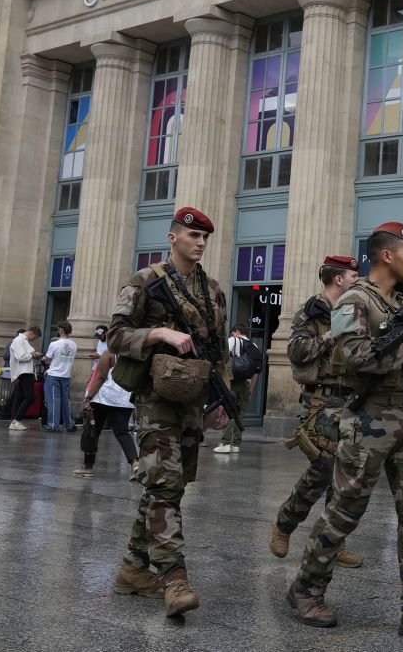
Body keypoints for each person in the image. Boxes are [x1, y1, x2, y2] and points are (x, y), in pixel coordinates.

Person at [286, 223, 403, 642]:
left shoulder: (402, 305)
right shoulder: (355, 300)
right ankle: (306, 589)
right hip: (369, 420)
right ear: (385, 255)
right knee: (345, 510)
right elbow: (353, 353)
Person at [107, 206, 228, 617]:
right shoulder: (145, 281)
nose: (200, 243)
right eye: (193, 236)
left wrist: (222, 401)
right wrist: (159, 332)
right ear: (172, 237)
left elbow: (218, 350)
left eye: (205, 238)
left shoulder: (212, 290)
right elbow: (115, 335)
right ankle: (174, 579)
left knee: (168, 485)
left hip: (194, 400)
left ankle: (132, 569)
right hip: (155, 400)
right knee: (165, 485)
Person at [271, 254, 367, 569]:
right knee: (323, 470)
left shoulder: (356, 309)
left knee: (345, 476)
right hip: (322, 401)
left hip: (353, 400)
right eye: (353, 276)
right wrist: (331, 334)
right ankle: (285, 523)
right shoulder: (312, 311)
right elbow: (296, 351)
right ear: (338, 279)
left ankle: (332, 541)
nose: (358, 280)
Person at [73, 345, 140, 480]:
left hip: (103, 398)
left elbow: (100, 377)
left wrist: (88, 398)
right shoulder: (136, 354)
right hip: (125, 398)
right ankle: (135, 463)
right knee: (122, 432)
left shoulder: (110, 353)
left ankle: (88, 467)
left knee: (93, 431)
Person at [214, 325, 259, 454]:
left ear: (237, 332)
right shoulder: (254, 346)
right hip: (246, 383)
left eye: (233, 332)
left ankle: (225, 443)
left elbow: (224, 360)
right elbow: (256, 371)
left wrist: (224, 381)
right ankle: (236, 444)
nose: (233, 334)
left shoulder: (232, 341)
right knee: (241, 414)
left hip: (232, 382)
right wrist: (251, 387)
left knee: (229, 411)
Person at [42, 320, 78, 432]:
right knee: (66, 401)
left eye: (58, 330)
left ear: (61, 330)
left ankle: (53, 425)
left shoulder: (54, 344)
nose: (57, 332)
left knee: (53, 400)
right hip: (66, 375)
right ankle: (70, 424)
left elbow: (47, 360)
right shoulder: (74, 344)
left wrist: (45, 359)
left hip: (54, 375)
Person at [7, 326, 42, 429]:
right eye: (34, 338)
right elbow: (20, 357)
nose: (33, 340)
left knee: (20, 397)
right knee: (30, 397)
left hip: (25, 371)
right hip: (24, 372)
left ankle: (15, 420)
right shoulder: (19, 340)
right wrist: (33, 355)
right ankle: (16, 420)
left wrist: (32, 354)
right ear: (31, 333)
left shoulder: (23, 341)